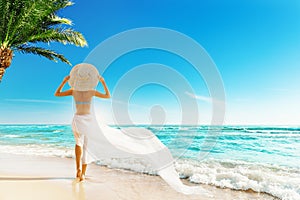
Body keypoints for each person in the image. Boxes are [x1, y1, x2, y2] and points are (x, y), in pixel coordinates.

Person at [54, 63, 110, 181]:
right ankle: (83, 174)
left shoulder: (73, 91)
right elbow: (107, 95)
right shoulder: (91, 91)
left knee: (78, 143)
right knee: (86, 146)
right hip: (89, 119)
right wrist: (103, 82)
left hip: (78, 119)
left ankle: (77, 169)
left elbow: (57, 93)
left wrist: (64, 81)